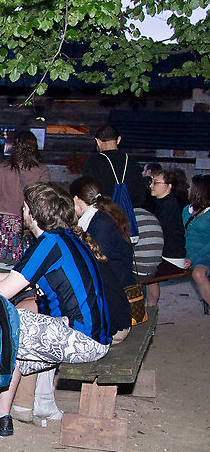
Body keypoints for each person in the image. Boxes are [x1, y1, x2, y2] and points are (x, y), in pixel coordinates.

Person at [0, 182, 113, 436]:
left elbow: (4, 292)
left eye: (24, 208)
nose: (22, 213)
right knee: (19, 333)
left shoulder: (48, 243)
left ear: (33, 213)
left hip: (82, 339)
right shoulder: (65, 238)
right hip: (94, 336)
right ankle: (1, 414)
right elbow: (15, 281)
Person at [0, 130, 50, 261]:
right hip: (32, 223)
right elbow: (45, 201)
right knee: (31, 265)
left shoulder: (4, 168)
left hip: (7, 225)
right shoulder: (42, 170)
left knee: (3, 265)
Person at [70, 176, 135, 288]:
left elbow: (98, 261)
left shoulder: (100, 222)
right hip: (114, 280)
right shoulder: (102, 214)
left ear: (76, 199)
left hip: (116, 286)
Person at [146, 166, 189, 304]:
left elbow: (157, 234)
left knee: (138, 271)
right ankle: (150, 309)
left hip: (172, 259)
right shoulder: (163, 204)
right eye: (152, 182)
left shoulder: (168, 206)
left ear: (168, 186)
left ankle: (143, 311)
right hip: (168, 256)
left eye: (156, 183)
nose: (151, 186)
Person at [81, 123, 146, 207]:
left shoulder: (93, 162)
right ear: (118, 140)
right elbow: (141, 194)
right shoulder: (131, 161)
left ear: (98, 141)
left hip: (104, 210)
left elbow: (88, 191)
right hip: (130, 210)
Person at [183, 174, 210, 314]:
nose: (188, 189)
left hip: (205, 254)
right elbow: (182, 234)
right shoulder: (186, 210)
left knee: (198, 273)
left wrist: (192, 258)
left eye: (191, 187)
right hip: (187, 253)